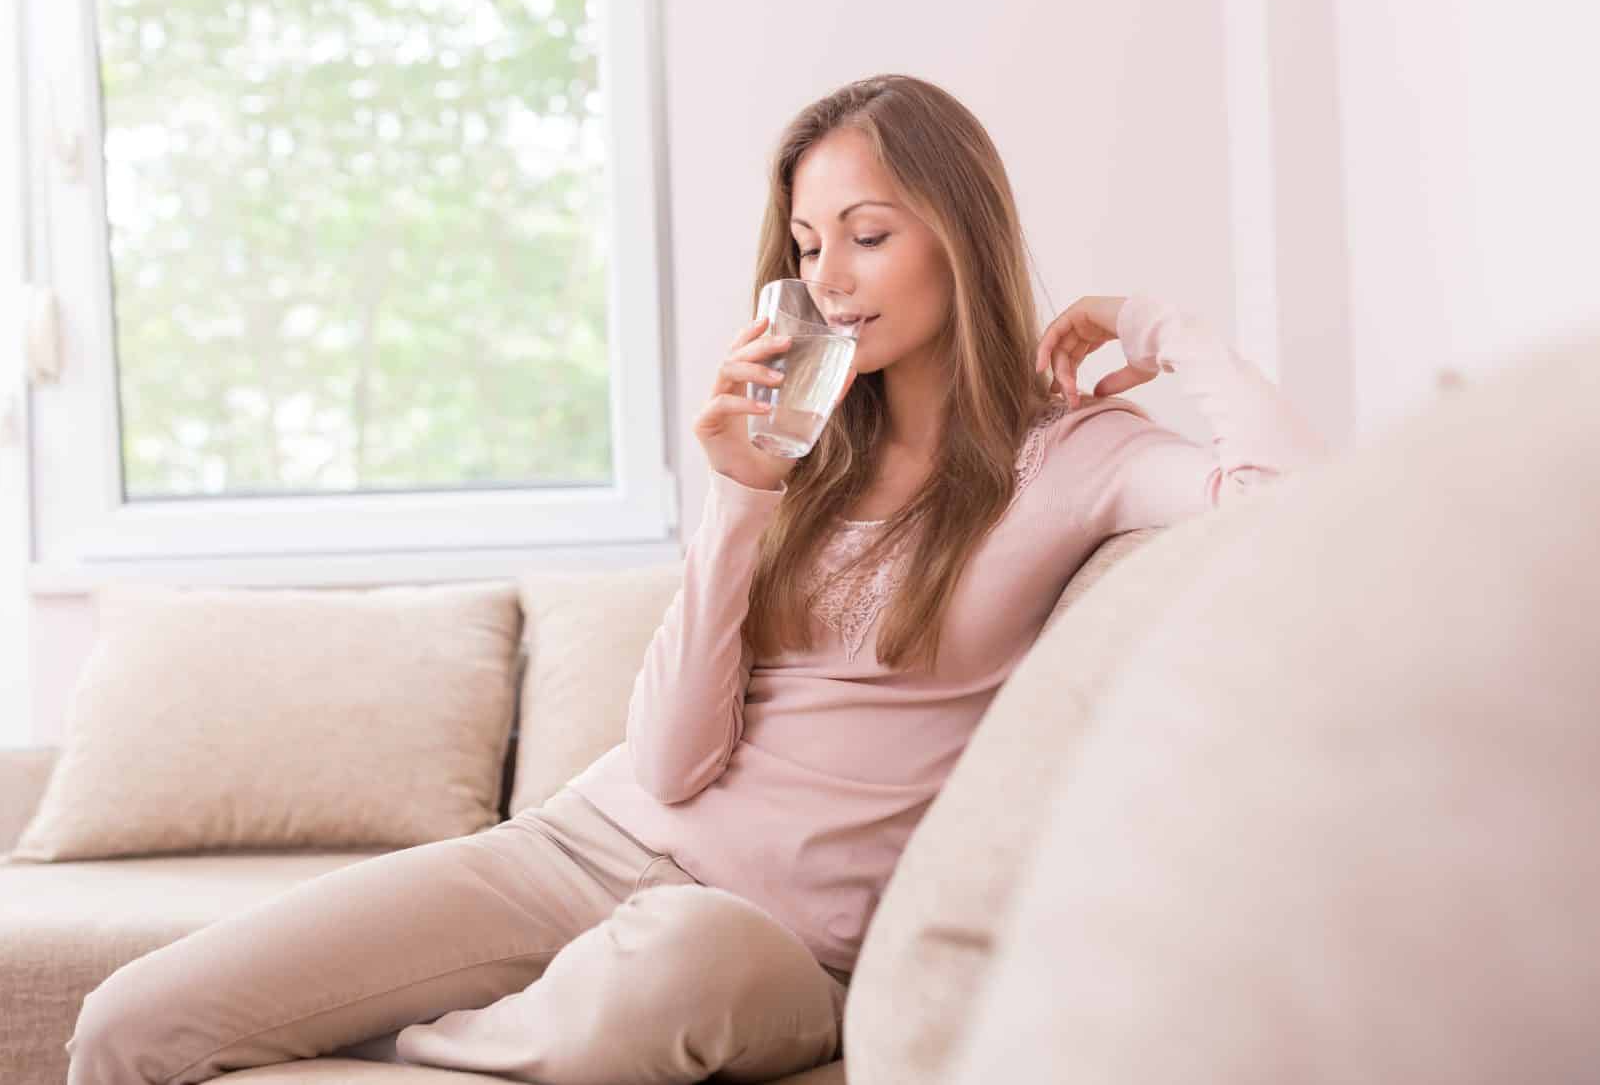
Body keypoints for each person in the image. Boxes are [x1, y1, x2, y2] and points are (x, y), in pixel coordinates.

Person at [64, 73, 1329, 1085]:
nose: (828, 276)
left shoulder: (1077, 458)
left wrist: (1159, 328)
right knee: (134, 1021)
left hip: (765, 945)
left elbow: (1287, 511)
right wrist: (737, 494)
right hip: (583, 843)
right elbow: (668, 765)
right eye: (805, 240)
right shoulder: (793, 449)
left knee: (671, 963)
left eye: (868, 234)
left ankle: (412, 1048)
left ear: (963, 234)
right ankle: (475, 1019)